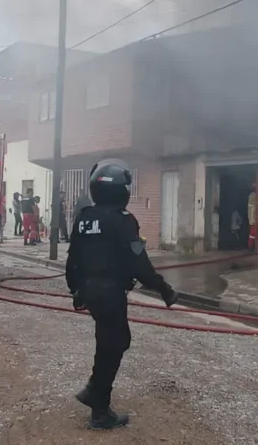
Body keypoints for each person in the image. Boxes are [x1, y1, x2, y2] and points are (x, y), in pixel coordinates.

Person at [66, 159, 179, 431]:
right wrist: (164, 289)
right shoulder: (123, 220)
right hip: (110, 293)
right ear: (120, 191)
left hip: (91, 291)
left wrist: (76, 290)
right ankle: (99, 410)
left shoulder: (84, 217)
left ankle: (94, 390)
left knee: (109, 341)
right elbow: (139, 264)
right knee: (116, 342)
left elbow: (73, 259)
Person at [247, 182, 257, 251]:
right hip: (253, 218)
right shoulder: (253, 195)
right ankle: (251, 246)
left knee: (253, 233)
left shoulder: (251, 195)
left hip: (252, 217)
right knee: (253, 233)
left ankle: (251, 246)